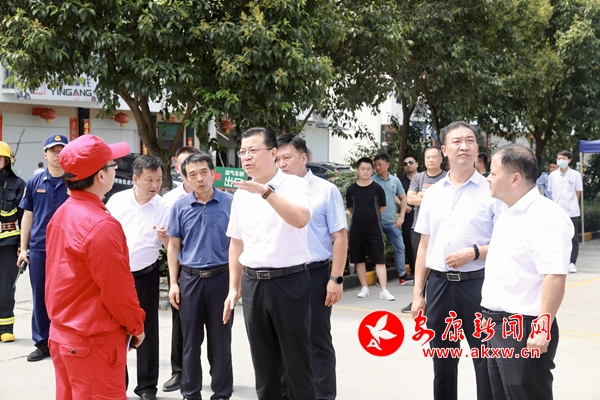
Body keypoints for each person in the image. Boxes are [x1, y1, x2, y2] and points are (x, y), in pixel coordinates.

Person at [45, 134, 145, 400]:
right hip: (92, 342)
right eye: (113, 165)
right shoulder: (101, 225)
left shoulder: (62, 213)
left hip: (63, 335)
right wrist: (136, 325)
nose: (115, 169)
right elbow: (117, 289)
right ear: (101, 176)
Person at [223, 127, 316, 400]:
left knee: (297, 365)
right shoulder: (241, 194)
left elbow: (300, 219)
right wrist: (233, 288)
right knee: (264, 368)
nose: (246, 157)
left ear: (273, 153)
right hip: (254, 284)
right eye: (242, 152)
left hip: (289, 282)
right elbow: (236, 243)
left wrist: (266, 192)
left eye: (253, 150)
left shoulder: (295, 185)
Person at [411, 122, 500, 400]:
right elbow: (424, 246)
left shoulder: (492, 191)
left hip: (479, 286)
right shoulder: (433, 194)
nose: (464, 146)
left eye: (470, 140)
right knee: (442, 363)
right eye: (457, 141)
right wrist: (418, 294)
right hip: (439, 286)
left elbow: (506, 244)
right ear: (444, 150)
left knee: (485, 360)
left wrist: (473, 252)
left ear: (477, 149)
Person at [484, 144, 572, 400]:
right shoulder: (506, 212)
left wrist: (542, 328)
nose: (488, 178)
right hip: (497, 326)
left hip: (525, 329)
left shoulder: (547, 216)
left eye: (493, 173)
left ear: (515, 178)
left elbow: (554, 276)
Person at [276, 133, 348, 400]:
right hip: (281, 275)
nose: (281, 164)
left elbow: (339, 236)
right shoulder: (274, 190)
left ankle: (323, 396)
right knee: (284, 341)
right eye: (277, 159)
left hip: (314, 274)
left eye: (287, 157)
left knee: (317, 340)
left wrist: (336, 279)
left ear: (304, 157)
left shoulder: (325, 190)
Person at [168, 153, 234, 400]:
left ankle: (222, 394)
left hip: (221, 278)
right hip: (190, 280)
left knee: (221, 342)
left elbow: (239, 244)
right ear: (186, 178)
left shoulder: (231, 203)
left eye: (204, 172)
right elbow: (174, 246)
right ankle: (190, 393)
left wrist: (235, 286)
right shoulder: (180, 206)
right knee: (190, 342)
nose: (199, 178)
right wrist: (173, 283)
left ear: (213, 173)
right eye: (192, 174)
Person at [106, 155, 170, 400]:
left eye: (159, 179)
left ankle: (146, 387)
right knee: (115, 329)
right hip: (117, 276)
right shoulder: (117, 201)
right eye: (149, 179)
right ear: (135, 179)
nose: (155, 185)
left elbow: (172, 247)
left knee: (147, 328)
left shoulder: (164, 206)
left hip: (146, 275)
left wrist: (166, 237)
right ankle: (117, 384)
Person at [18, 134, 70, 361]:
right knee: (40, 296)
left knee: (67, 296)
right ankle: (42, 342)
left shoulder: (75, 181)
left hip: (68, 249)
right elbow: (27, 216)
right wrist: (23, 249)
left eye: (61, 150)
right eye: (53, 151)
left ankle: (65, 341)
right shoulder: (34, 182)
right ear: (45, 154)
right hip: (39, 248)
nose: (57, 155)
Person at [161, 146, 200, 393]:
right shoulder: (170, 200)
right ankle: (179, 372)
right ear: (178, 168)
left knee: (216, 327)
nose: (189, 169)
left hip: (211, 270)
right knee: (180, 324)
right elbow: (167, 242)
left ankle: (216, 374)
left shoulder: (220, 196)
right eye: (184, 165)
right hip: (181, 268)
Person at [401, 147, 447, 313]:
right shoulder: (418, 177)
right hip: (419, 227)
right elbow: (410, 198)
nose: (431, 160)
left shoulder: (447, 177)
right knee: (418, 264)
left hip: (441, 228)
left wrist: (422, 195)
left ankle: (436, 300)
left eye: (434, 157)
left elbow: (448, 200)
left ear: (441, 159)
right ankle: (418, 298)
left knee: (438, 264)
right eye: (428, 157)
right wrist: (434, 197)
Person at [347, 157, 395, 301]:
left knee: (379, 259)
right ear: (357, 170)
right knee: (358, 259)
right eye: (363, 169)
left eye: (368, 169)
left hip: (374, 228)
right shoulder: (351, 189)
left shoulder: (377, 188)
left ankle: (384, 289)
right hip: (357, 229)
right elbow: (350, 208)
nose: (365, 171)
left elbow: (382, 206)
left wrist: (371, 216)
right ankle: (364, 288)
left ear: (372, 170)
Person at [0, 142, 26, 343]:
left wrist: (22, 245)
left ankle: (5, 327)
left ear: (7, 161)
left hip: (8, 242)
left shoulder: (18, 184)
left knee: (5, 286)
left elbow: (25, 217)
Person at [372, 154, 410, 284]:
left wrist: (402, 217)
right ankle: (380, 278)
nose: (377, 167)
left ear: (387, 165)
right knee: (379, 250)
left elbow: (403, 198)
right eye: (376, 165)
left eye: (380, 164)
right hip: (376, 223)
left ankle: (402, 276)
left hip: (392, 222)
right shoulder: (372, 181)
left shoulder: (395, 180)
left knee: (400, 248)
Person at [548, 150, 582, 273]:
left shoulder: (575, 175)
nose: (561, 161)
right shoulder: (552, 176)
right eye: (559, 158)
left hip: (571, 211)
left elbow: (577, 192)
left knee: (573, 238)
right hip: (557, 211)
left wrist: (571, 203)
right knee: (557, 237)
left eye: (563, 158)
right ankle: (560, 261)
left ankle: (572, 262)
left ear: (569, 160)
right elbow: (550, 192)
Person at [399, 155, 418, 277]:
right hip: (408, 215)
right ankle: (413, 270)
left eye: (410, 162)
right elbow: (395, 195)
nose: (408, 165)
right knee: (409, 243)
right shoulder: (400, 181)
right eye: (405, 164)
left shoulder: (423, 178)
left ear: (417, 164)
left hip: (422, 214)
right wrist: (403, 205)